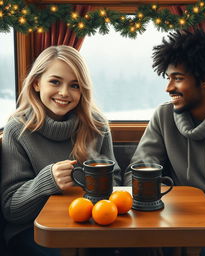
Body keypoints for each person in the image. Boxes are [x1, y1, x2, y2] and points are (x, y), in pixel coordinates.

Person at [125, 30, 205, 256]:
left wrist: (176, 212)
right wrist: (159, 209)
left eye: (177, 78)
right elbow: (136, 174)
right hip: (169, 221)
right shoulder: (163, 116)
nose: (168, 88)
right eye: (168, 78)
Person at [0, 45, 122, 256]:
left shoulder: (97, 125)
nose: (64, 93)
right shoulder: (17, 130)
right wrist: (47, 181)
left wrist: (100, 189)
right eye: (55, 82)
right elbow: (12, 210)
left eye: (74, 85)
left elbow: (116, 181)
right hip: (34, 230)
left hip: (90, 226)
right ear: (37, 83)